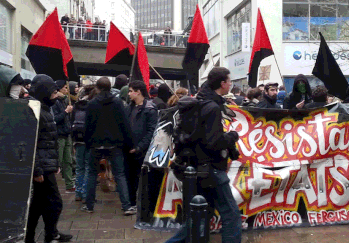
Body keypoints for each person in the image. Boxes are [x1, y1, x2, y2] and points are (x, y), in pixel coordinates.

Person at [166, 67, 242, 243]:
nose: (231, 84)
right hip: (212, 167)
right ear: (223, 84)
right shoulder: (213, 107)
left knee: (199, 214)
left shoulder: (200, 102)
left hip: (196, 166)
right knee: (231, 214)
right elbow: (213, 143)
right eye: (229, 81)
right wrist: (231, 136)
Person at [25, 74, 73, 243]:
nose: (55, 96)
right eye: (53, 93)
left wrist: (55, 164)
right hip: (41, 167)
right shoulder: (33, 110)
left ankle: (44, 234)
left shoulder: (44, 108)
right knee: (54, 202)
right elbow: (31, 142)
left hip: (47, 164)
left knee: (39, 204)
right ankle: (47, 235)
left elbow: (49, 140)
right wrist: (37, 170)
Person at [83, 77, 136, 215]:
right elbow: (124, 124)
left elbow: (87, 126)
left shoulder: (92, 103)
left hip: (96, 143)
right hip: (114, 144)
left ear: (97, 88)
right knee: (120, 174)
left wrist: (88, 143)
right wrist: (129, 143)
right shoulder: (118, 103)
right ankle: (126, 206)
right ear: (110, 87)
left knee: (92, 174)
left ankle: (89, 205)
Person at [125, 80, 158, 208]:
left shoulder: (150, 109)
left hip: (142, 150)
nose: (128, 94)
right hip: (129, 149)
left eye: (130, 91)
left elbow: (151, 131)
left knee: (143, 178)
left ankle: (145, 204)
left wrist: (140, 147)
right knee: (130, 178)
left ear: (138, 92)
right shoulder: (129, 108)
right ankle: (132, 202)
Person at [71, 85, 95, 202]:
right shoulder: (93, 105)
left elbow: (71, 121)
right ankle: (86, 194)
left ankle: (78, 193)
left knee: (79, 167)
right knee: (88, 167)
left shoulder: (77, 105)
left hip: (78, 139)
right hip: (89, 140)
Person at [52, 80, 75, 193]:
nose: (67, 90)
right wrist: (66, 112)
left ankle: (69, 184)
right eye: (65, 88)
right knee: (59, 161)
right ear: (60, 89)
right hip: (59, 135)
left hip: (67, 134)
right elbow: (54, 119)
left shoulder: (64, 100)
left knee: (68, 161)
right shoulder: (55, 102)